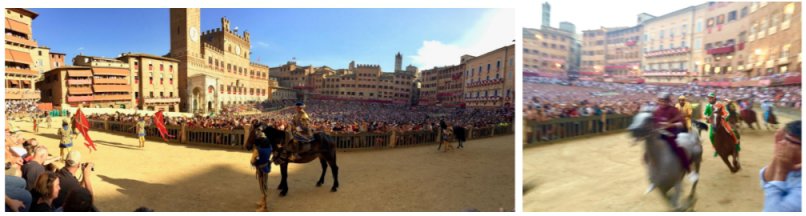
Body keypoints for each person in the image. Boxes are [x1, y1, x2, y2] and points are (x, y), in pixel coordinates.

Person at [760, 120, 801, 212]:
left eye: (789, 141)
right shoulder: (791, 164)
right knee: (766, 115)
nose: (783, 144)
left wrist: (781, 172)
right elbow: (766, 181)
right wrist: (777, 154)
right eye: (784, 139)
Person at [652, 92, 690, 172]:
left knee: (678, 149)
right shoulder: (656, 111)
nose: (662, 103)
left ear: (668, 101)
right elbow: (653, 123)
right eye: (661, 101)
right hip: (658, 134)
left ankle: (688, 169)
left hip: (670, 134)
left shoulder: (673, 110)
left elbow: (682, 123)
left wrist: (671, 125)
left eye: (664, 101)